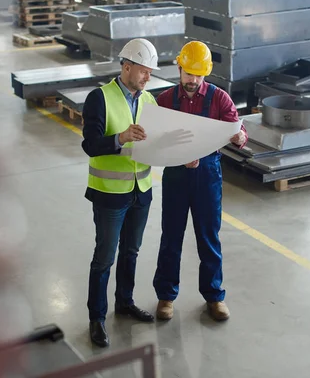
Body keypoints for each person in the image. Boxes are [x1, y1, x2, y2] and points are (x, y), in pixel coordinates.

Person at [153, 40, 248, 322]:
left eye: (198, 74)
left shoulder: (219, 99)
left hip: (207, 175)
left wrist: (240, 136)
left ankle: (214, 296)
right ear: (179, 68)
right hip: (176, 175)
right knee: (171, 237)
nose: (192, 80)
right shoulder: (165, 100)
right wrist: (178, 155)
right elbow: (155, 139)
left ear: (205, 73)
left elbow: (236, 126)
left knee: (208, 238)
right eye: (188, 73)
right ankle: (166, 296)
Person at [81, 38, 160, 347]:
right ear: (127, 67)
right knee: (104, 258)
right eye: (143, 71)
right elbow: (90, 145)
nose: (147, 78)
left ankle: (124, 302)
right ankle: (96, 317)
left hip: (142, 190)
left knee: (131, 252)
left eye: (150, 73)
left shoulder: (149, 101)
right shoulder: (99, 98)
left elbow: (156, 141)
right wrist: (121, 138)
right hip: (110, 194)